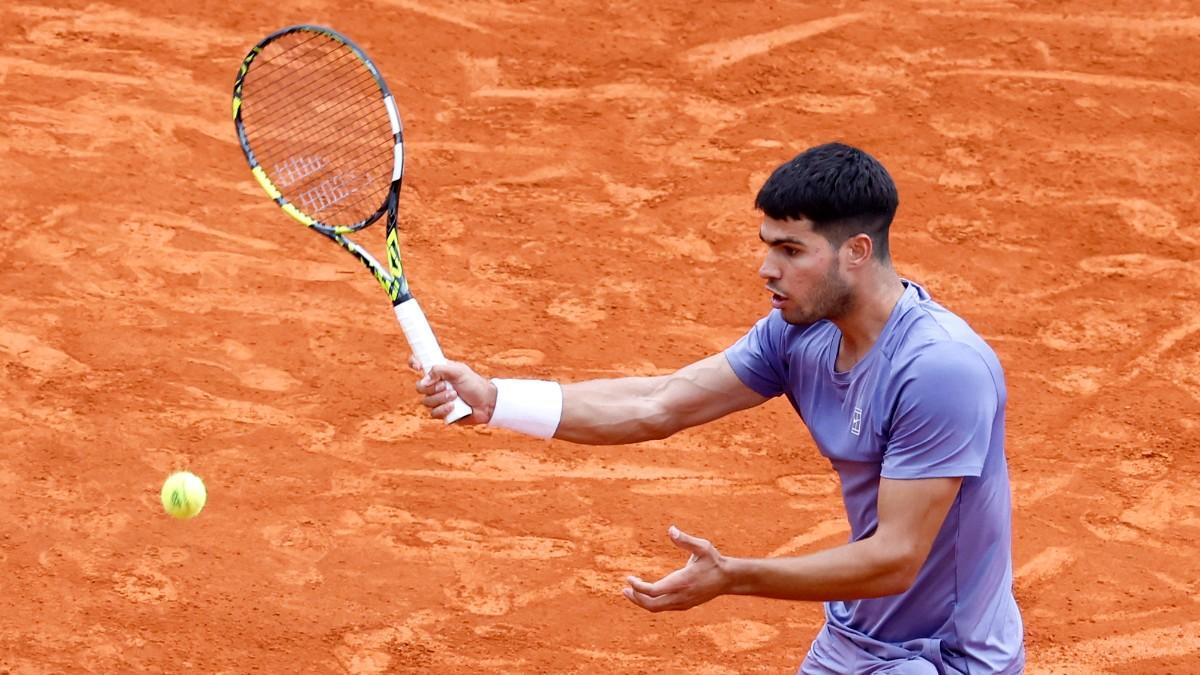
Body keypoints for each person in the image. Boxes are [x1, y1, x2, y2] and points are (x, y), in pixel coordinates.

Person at [410, 142, 1025, 674]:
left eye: (790, 250)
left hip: (948, 655)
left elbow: (895, 558)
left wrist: (734, 575)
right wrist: (495, 399)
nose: (767, 269)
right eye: (767, 247)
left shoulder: (941, 369)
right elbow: (660, 402)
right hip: (856, 638)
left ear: (856, 251)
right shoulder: (796, 333)